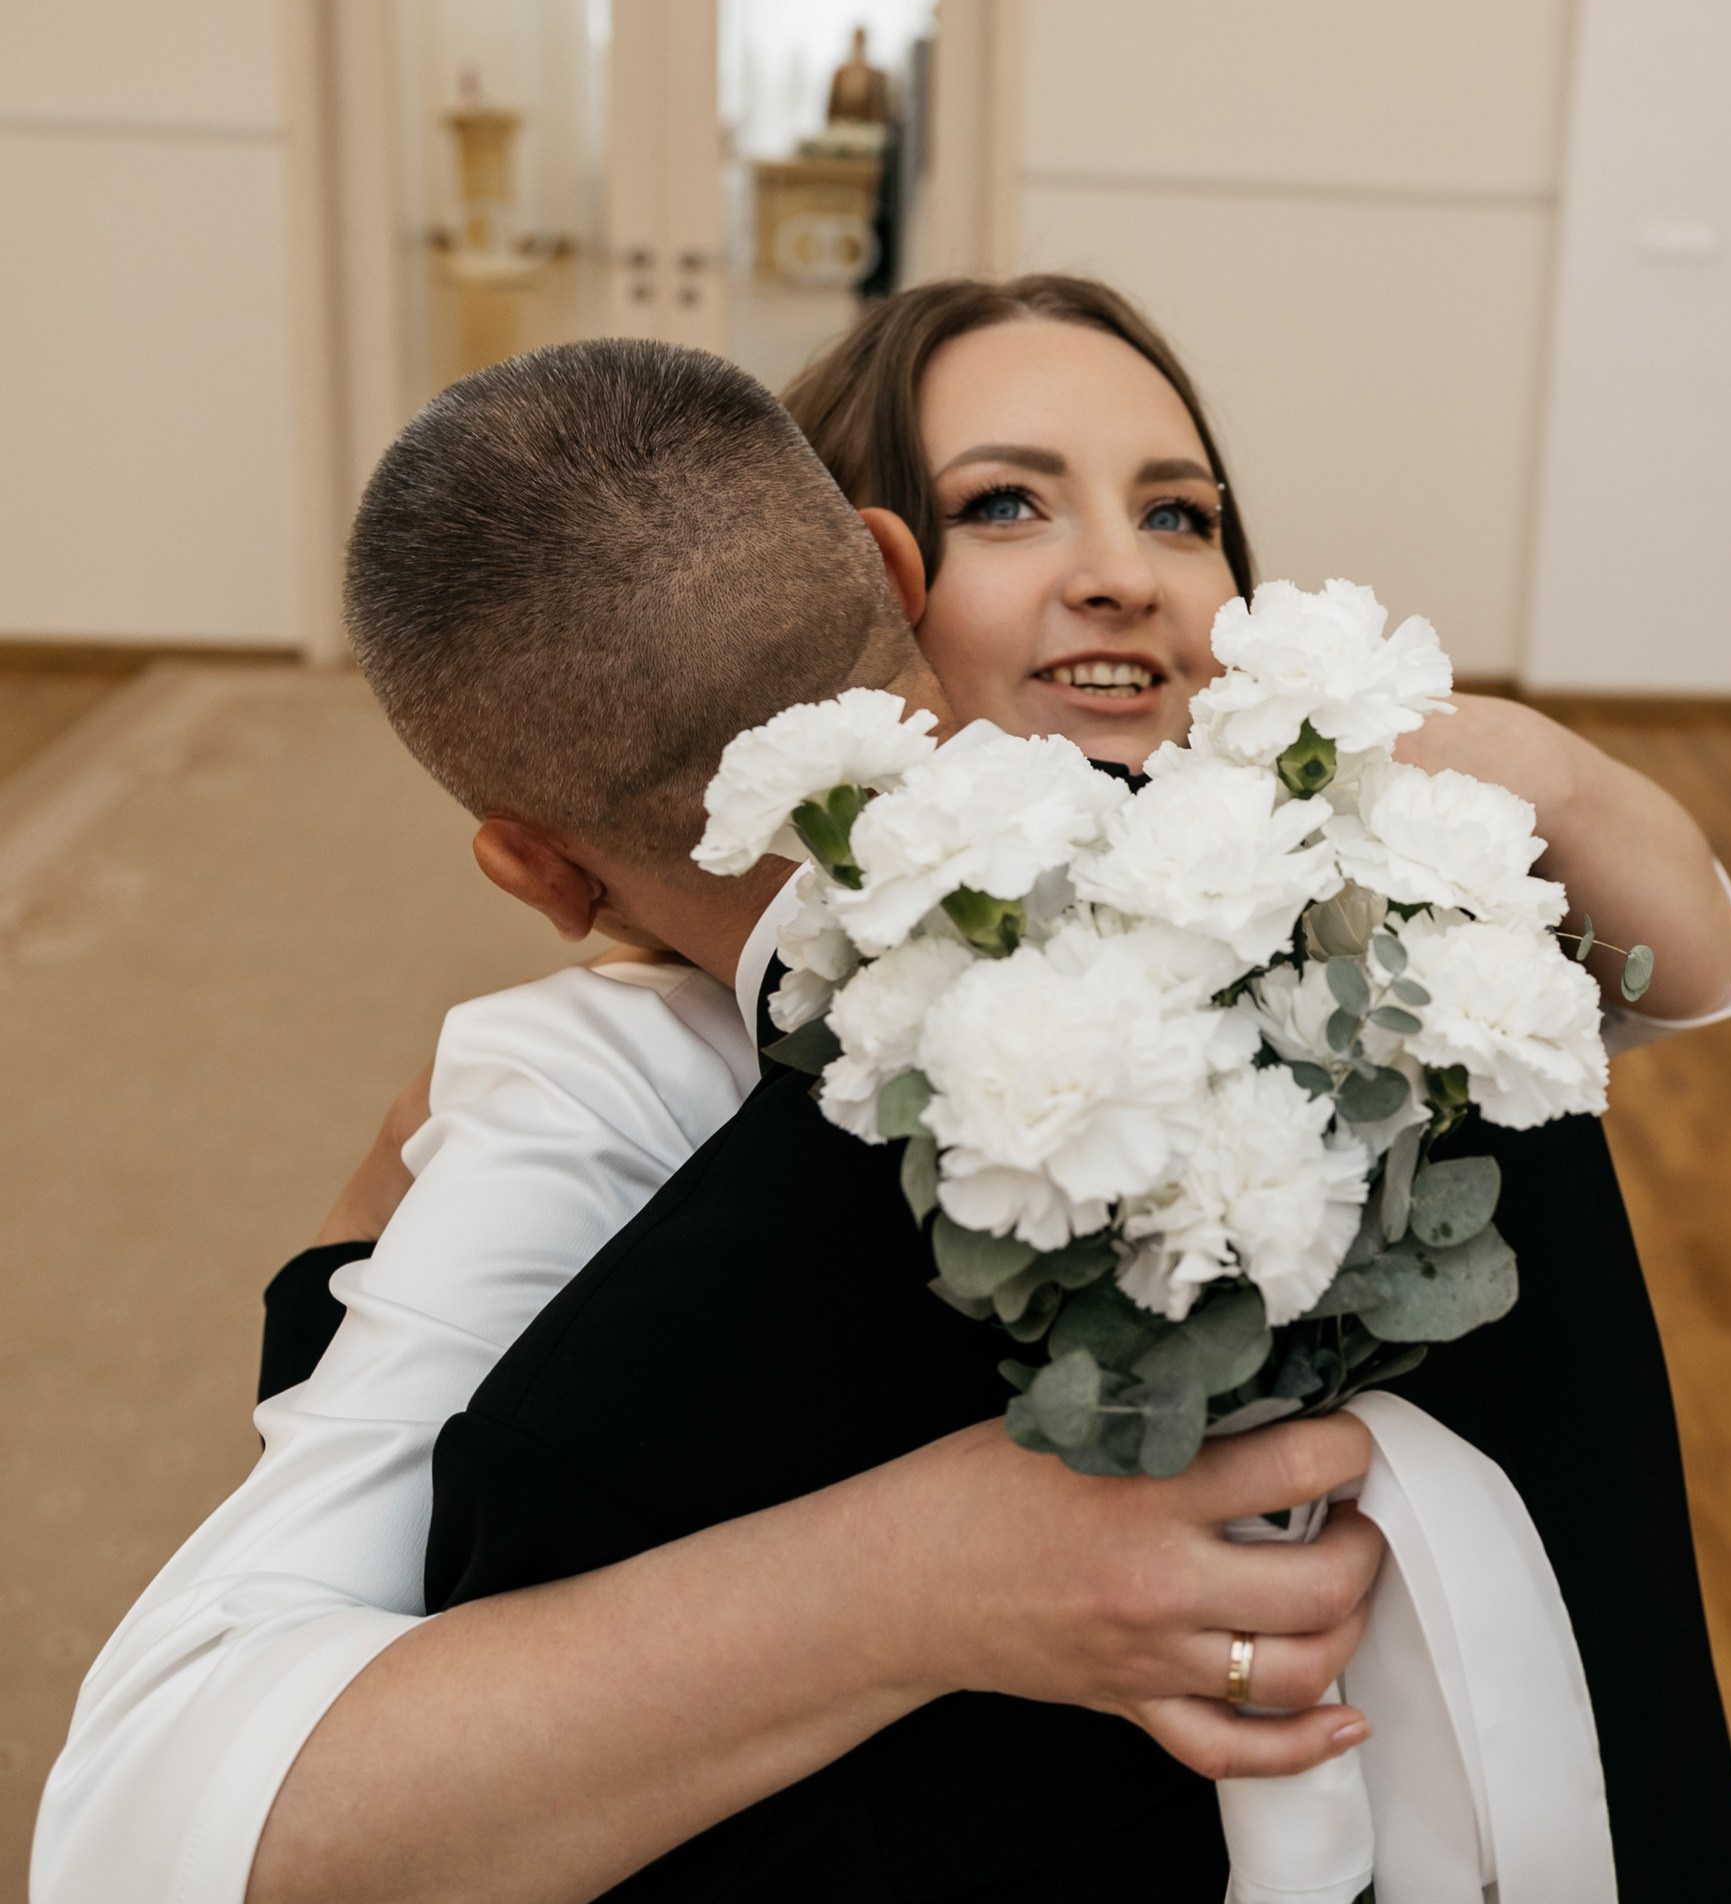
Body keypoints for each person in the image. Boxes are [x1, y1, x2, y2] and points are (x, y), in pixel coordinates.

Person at [34, 334, 1381, 1904]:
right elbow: (165, 1820)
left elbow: (131, 1837)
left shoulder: (1400, 912)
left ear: (533, 868)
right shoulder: (591, 1086)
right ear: (896, 569)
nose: (1117, 580)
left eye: (1179, 513)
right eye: (1006, 505)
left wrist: (328, 1279)